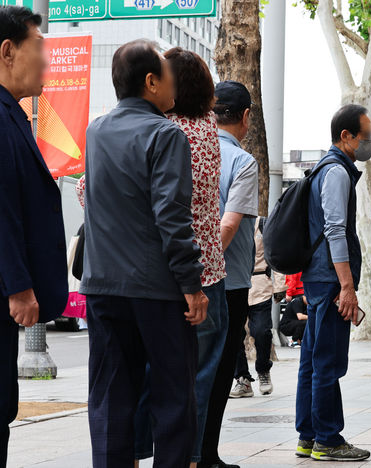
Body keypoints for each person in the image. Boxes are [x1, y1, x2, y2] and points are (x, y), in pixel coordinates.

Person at [81, 39, 208, 468]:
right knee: (173, 398)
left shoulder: (95, 130)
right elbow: (171, 217)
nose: (173, 81)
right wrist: (192, 286)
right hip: (156, 289)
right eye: (167, 75)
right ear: (151, 82)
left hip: (101, 287)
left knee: (111, 399)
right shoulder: (166, 133)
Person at [132, 47, 227, 468]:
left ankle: (136, 452)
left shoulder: (158, 130)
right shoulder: (208, 127)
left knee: (147, 374)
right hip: (208, 270)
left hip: (161, 270)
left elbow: (89, 191)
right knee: (197, 375)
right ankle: (187, 457)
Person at [0, 7, 68, 466]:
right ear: (7, 51)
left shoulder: (13, 114)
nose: (46, 63)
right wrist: (19, 286)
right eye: (38, 49)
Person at [294, 104, 371, 462]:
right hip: (329, 279)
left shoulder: (326, 168)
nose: (369, 143)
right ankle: (328, 438)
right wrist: (347, 286)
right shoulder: (337, 172)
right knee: (327, 360)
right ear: (346, 136)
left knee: (311, 358)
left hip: (319, 277)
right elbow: (335, 231)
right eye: (365, 136)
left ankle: (308, 436)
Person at [199, 80, 258, 468]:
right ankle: (205, 456)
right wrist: (203, 270)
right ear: (246, 117)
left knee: (190, 369)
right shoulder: (242, 162)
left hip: (182, 280)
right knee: (219, 372)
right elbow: (229, 225)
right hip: (228, 282)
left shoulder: (189, 148)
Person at [229, 216, 286, 398]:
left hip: (260, 283)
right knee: (234, 335)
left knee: (261, 331)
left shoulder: (263, 224)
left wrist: (279, 286)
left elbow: (275, 253)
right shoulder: (225, 220)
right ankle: (242, 379)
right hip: (233, 283)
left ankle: (263, 370)